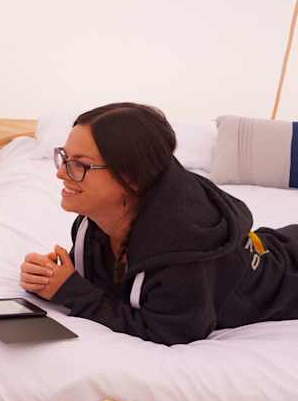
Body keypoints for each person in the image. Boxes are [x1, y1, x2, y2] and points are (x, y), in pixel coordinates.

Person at [19, 102, 298, 344]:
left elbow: (167, 330)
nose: (60, 173)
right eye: (64, 157)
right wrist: (49, 277)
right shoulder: (98, 217)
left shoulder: (183, 252)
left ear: (130, 176)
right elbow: (115, 279)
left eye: (80, 164)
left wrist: (70, 291)